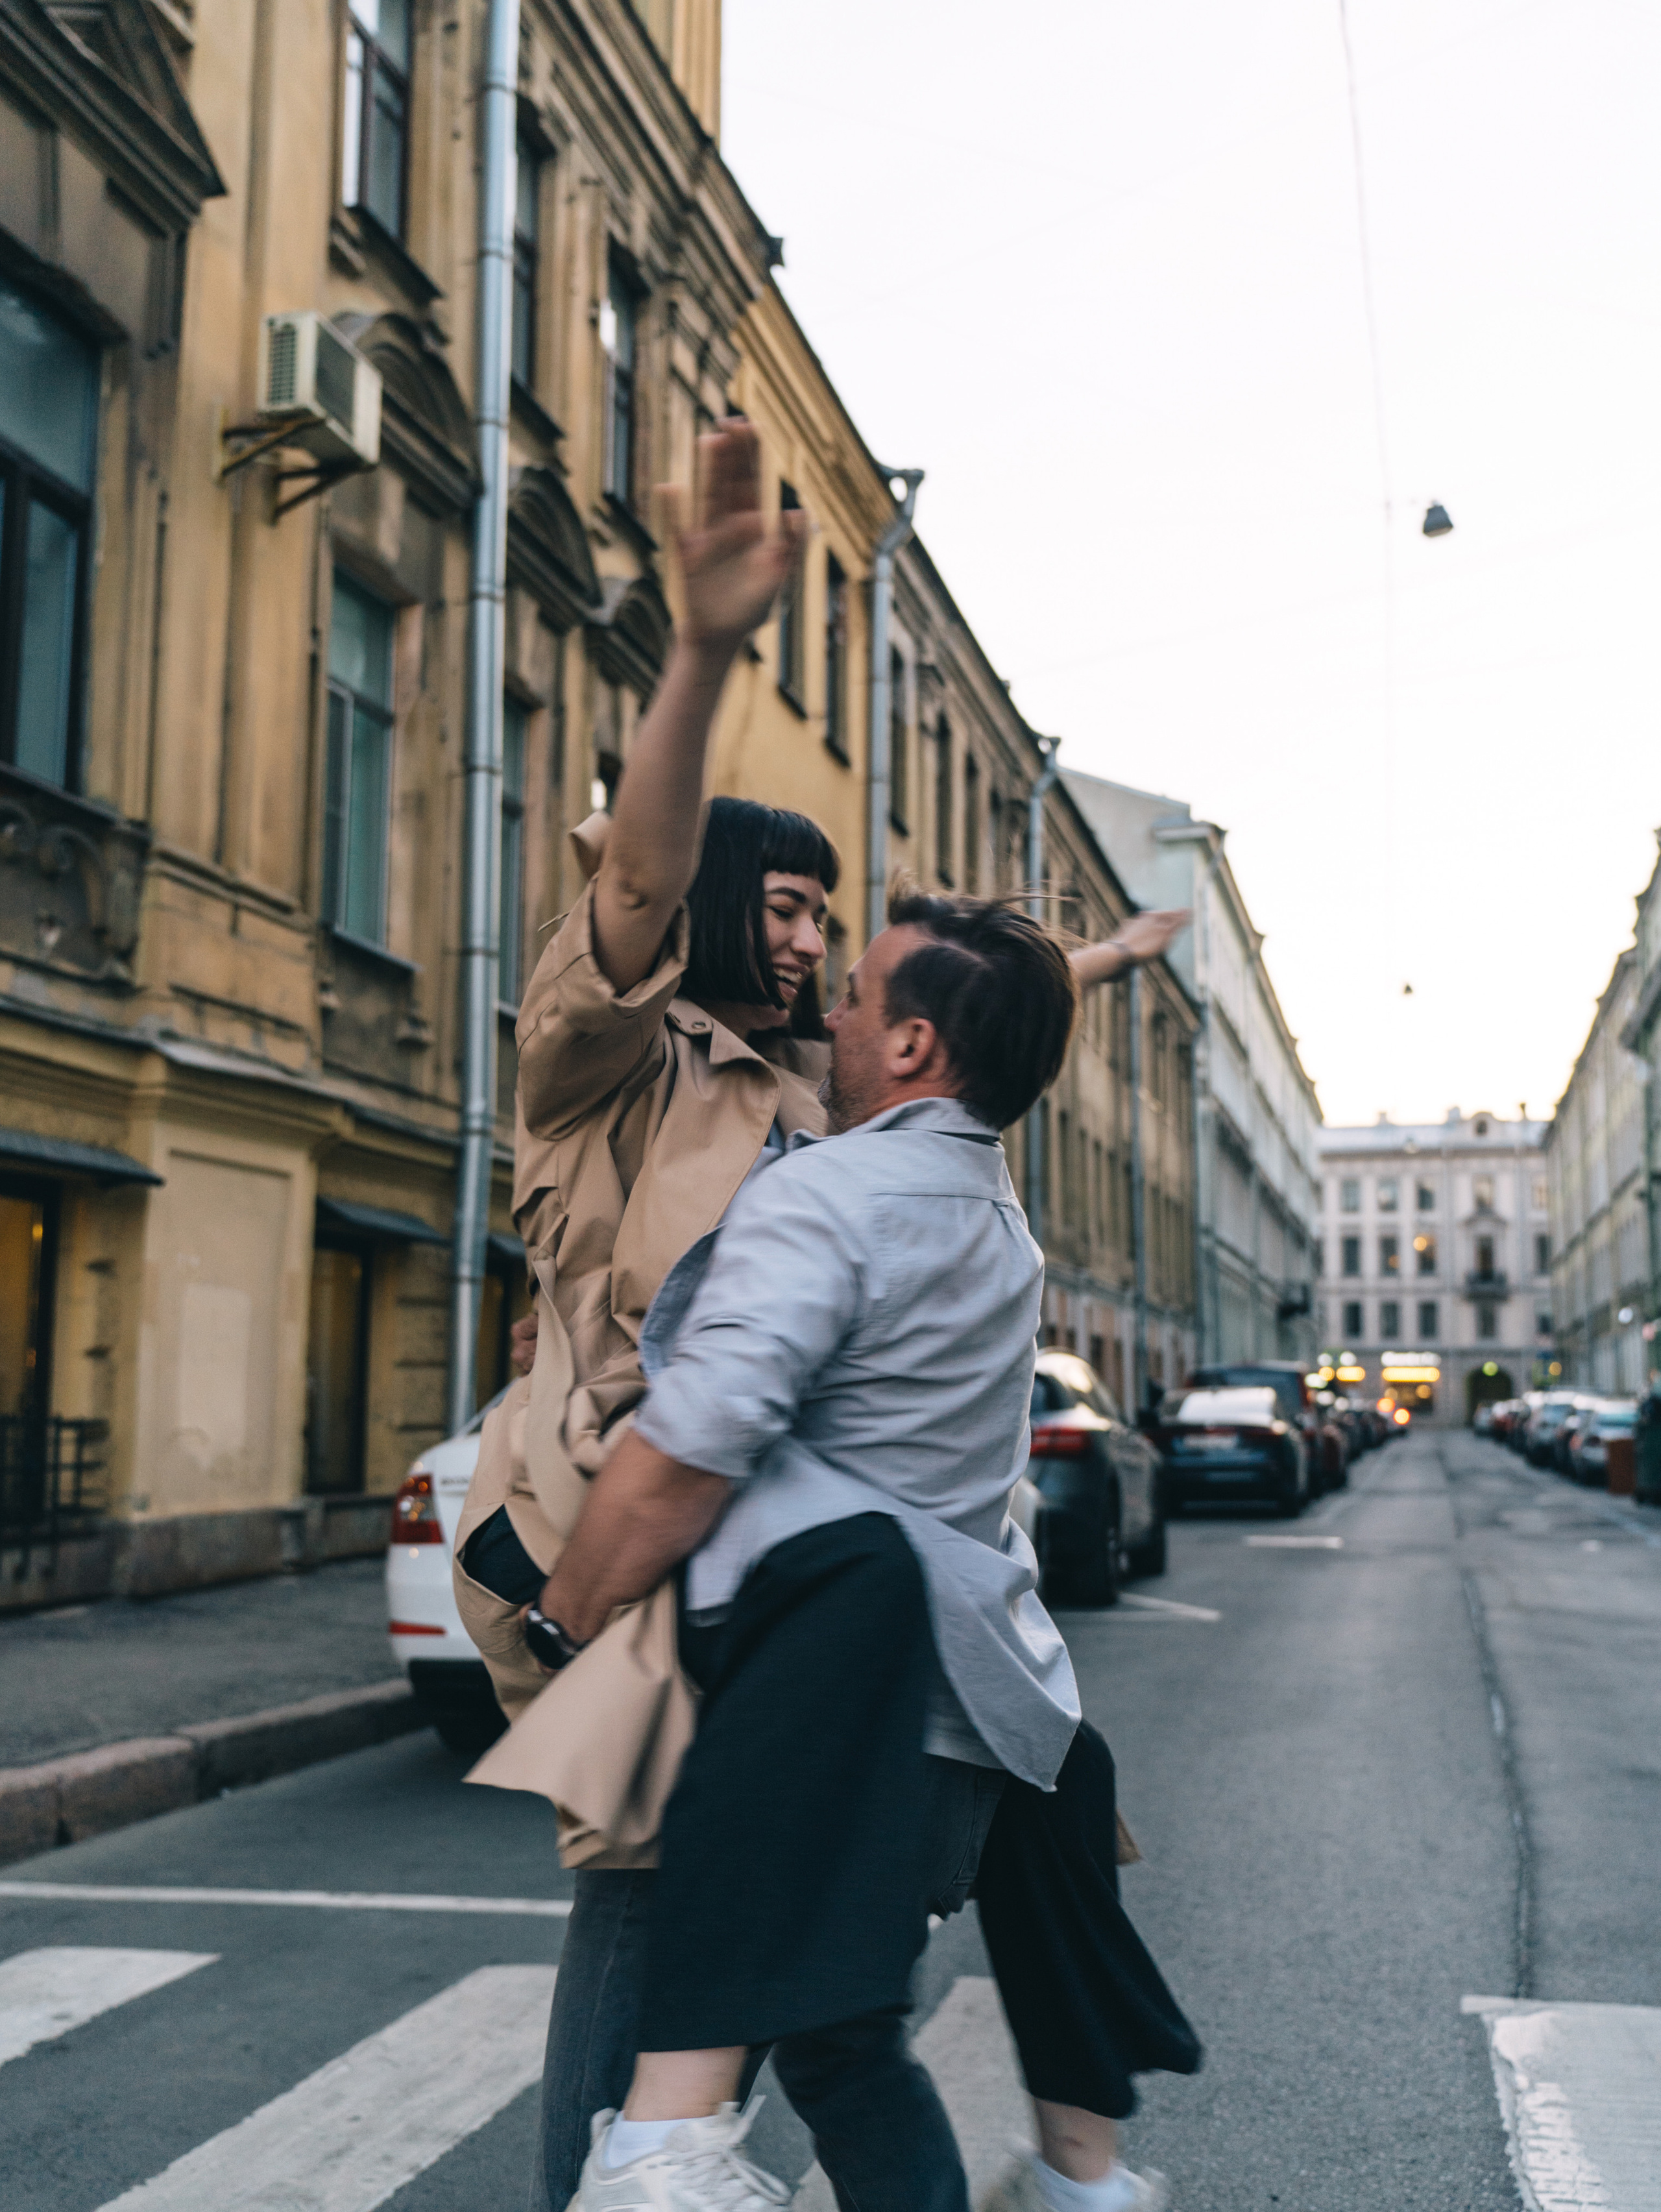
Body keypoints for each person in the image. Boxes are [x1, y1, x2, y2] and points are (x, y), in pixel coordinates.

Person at [452, 420, 1194, 2212]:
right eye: (778, 908)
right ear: (709, 903)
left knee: (823, 1991)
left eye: (825, 926)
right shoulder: (607, 1067)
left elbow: (936, 1063)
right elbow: (633, 895)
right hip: (643, 1550)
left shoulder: (828, 1097)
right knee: (654, 1935)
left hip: (836, 1592)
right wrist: (700, 656)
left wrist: (1068, 974)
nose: (804, 949)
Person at [540, 890, 1084, 2212]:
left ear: (908, 1046)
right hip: (950, 1718)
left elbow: (691, 1442)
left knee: (658, 2069)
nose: (823, 1009)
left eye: (853, 991)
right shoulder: (989, 1208)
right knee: (842, 2045)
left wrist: (570, 1610)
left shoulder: (832, 1191)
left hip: (815, 1698)